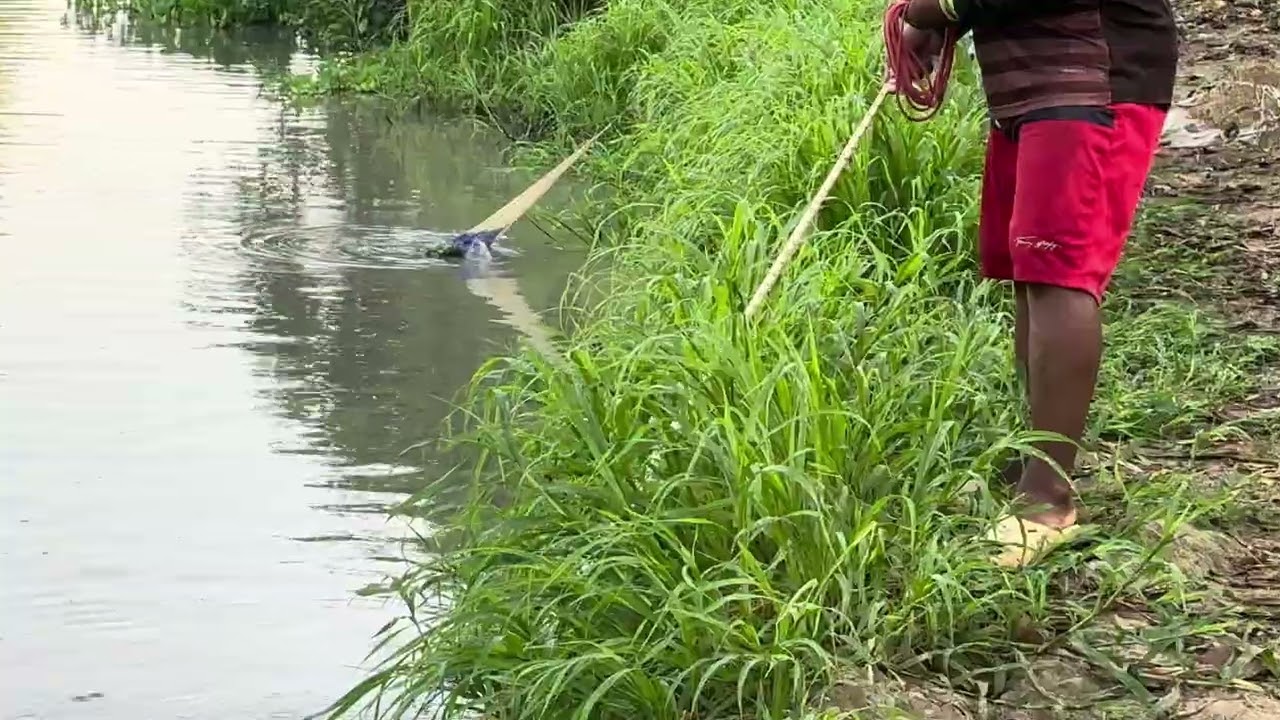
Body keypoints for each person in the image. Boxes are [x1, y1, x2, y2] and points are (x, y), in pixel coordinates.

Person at [892, 0, 1178, 566]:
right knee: (1031, 272)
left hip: (1093, 80)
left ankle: (1049, 498)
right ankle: (1036, 453)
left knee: (1058, 275)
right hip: (1035, 82)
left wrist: (928, 12)